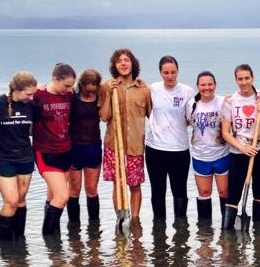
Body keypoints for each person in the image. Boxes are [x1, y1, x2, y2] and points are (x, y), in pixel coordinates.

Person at [220, 64, 260, 230]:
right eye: (240, 79)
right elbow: (225, 132)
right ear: (236, 80)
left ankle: (258, 231)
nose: (244, 82)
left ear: (252, 78)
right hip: (239, 151)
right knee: (233, 194)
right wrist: (242, 148)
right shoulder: (230, 101)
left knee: (259, 191)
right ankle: (229, 234)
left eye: (247, 78)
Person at [98, 48, 152, 221]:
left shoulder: (143, 89)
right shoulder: (107, 87)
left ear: (132, 63)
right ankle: (121, 219)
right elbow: (104, 116)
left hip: (136, 145)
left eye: (126, 60)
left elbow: (153, 116)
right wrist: (108, 95)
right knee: (118, 184)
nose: (123, 63)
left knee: (135, 185)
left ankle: (134, 220)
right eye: (119, 61)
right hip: (114, 145)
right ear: (115, 65)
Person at [0, 71, 38, 240]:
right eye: (28, 94)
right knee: (11, 201)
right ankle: (6, 248)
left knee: (21, 199)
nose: (31, 97)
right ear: (16, 89)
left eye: (33, 94)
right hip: (3, 158)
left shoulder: (32, 106)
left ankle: (20, 242)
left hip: (25, 157)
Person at [146, 56, 196, 223]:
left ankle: (180, 230)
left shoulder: (187, 91)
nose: (170, 76)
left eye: (173, 72)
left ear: (178, 71)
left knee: (180, 191)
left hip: (179, 149)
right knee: (158, 191)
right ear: (160, 72)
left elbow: (192, 118)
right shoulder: (153, 89)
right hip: (155, 149)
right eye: (166, 72)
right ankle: (158, 231)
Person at [33, 63, 76, 236]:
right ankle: (50, 239)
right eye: (65, 85)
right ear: (55, 79)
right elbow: (13, 96)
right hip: (45, 151)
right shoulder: (38, 95)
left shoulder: (69, 96)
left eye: (71, 86)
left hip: (65, 150)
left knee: (53, 197)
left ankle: (53, 242)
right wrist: (34, 86)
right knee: (63, 196)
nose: (68, 89)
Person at [189, 71, 230, 222]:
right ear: (198, 86)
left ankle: (227, 232)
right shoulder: (191, 104)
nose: (207, 88)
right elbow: (185, 122)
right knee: (204, 192)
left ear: (215, 85)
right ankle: (205, 234)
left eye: (210, 84)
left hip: (222, 155)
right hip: (200, 156)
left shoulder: (223, 102)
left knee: (224, 192)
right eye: (203, 84)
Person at [67, 69, 103, 225]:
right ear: (81, 85)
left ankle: (94, 227)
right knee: (74, 189)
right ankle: (74, 227)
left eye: (93, 90)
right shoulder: (72, 98)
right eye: (87, 90)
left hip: (93, 146)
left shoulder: (101, 96)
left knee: (91, 189)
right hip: (75, 147)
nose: (90, 93)